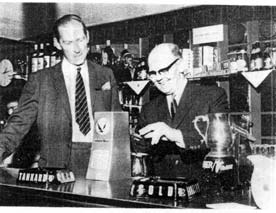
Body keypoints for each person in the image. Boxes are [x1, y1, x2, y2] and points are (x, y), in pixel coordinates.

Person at [0, 14, 121, 176]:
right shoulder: (40, 81)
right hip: (56, 169)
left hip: (100, 167)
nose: (77, 49)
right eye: (68, 43)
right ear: (57, 44)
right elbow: (17, 124)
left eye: (80, 39)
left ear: (87, 37)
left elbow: (117, 125)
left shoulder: (105, 75)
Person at [132, 43, 229, 178]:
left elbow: (219, 143)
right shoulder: (149, 109)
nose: (158, 78)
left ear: (181, 65)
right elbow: (141, 152)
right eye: (153, 73)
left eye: (164, 70)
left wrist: (174, 134)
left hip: (204, 186)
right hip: (163, 190)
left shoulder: (212, 96)